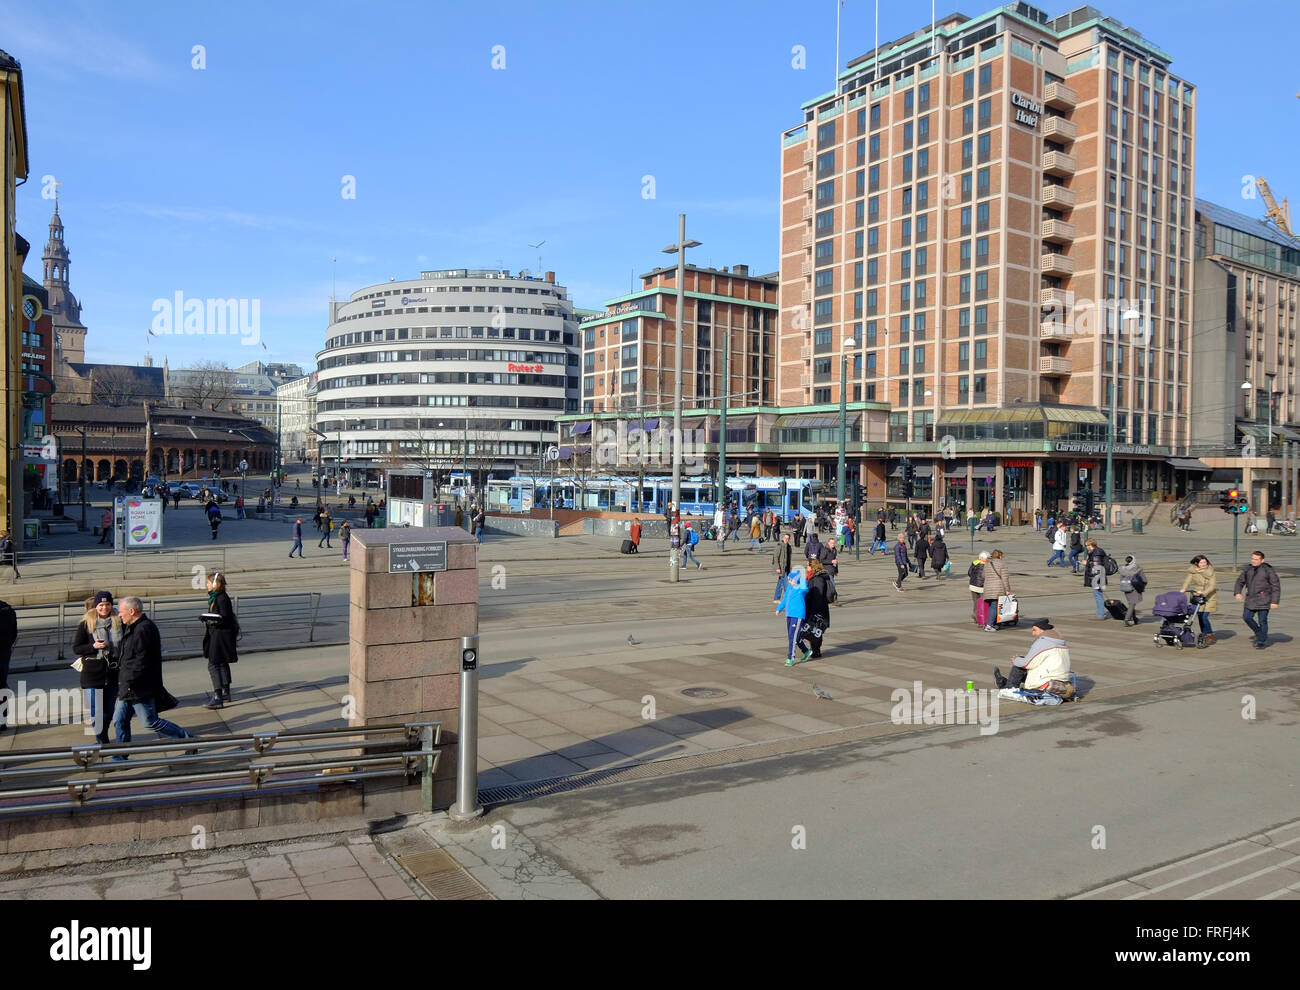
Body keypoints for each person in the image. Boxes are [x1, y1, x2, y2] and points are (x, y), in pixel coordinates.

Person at [112, 596, 196, 752]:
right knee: (119, 720)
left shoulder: (144, 629)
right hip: (128, 687)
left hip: (138, 687)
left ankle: (188, 740)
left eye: (121, 612)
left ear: (132, 611)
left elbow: (141, 660)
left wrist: (129, 680)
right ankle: (119, 757)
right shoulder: (132, 626)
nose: (119, 615)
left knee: (150, 722)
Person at [72, 591, 122, 745]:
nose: (104, 608)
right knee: (96, 711)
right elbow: (77, 648)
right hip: (92, 674)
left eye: (107, 604)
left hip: (112, 672)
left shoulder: (119, 621)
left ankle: (103, 734)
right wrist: (93, 646)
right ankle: (102, 740)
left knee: (108, 711)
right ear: (96, 606)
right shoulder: (87, 623)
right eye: (101, 605)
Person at [993, 619, 1070, 691]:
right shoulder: (1059, 641)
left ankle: (1009, 688)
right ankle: (1004, 682)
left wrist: (1016, 659)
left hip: (1048, 680)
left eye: (1034, 630)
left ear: (1042, 630)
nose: (1033, 633)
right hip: (1062, 678)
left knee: (1019, 665)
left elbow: (1026, 664)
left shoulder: (1043, 642)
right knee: (1022, 662)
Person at [201, 572, 239, 709]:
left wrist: (210, 620)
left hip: (220, 636)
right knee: (222, 663)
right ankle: (225, 692)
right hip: (220, 635)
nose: (206, 585)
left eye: (208, 582)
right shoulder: (217, 597)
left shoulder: (221, 598)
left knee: (213, 664)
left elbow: (224, 617)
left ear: (215, 584)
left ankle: (218, 696)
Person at [1235, 550, 1281, 649]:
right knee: (1247, 617)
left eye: (1256, 559)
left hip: (1264, 599)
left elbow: (1276, 586)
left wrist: (1274, 602)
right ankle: (1259, 632)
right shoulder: (1248, 569)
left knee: (1262, 621)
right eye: (1252, 558)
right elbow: (1240, 581)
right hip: (1250, 599)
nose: (1254, 561)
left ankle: (1261, 641)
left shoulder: (1268, 570)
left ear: (1262, 560)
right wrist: (1238, 592)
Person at [1179, 554, 1218, 643]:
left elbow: (1212, 586)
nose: (1204, 564)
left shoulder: (1211, 572)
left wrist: (1204, 593)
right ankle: (1203, 633)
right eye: (1201, 562)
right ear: (1197, 563)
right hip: (1197, 596)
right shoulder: (1193, 571)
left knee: (1204, 617)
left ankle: (1209, 634)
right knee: (1200, 616)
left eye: (1205, 562)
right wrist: (1184, 589)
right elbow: (1187, 580)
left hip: (1209, 596)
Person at [775, 567, 809, 666]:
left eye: (791, 580)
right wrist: (779, 608)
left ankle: (790, 658)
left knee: (792, 637)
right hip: (789, 614)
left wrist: (801, 577)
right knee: (794, 636)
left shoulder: (801, 589)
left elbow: (805, 588)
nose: (789, 581)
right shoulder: (789, 588)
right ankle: (806, 651)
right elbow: (785, 599)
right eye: (789, 579)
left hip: (797, 615)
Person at [800, 558, 832, 660]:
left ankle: (816, 650)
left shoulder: (818, 579)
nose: (806, 568)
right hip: (816, 608)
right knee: (814, 630)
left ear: (812, 566)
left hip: (817, 610)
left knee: (815, 630)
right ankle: (815, 649)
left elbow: (818, 596)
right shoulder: (815, 577)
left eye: (808, 566)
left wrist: (813, 611)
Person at [981, 548, 1012, 631]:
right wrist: (1007, 589)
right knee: (994, 607)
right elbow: (1005, 578)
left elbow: (983, 576)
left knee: (991, 606)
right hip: (998, 588)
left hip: (988, 588)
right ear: (1000, 556)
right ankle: (989, 625)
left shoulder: (987, 564)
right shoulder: (1002, 564)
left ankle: (993, 624)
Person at [1116, 554, 1148, 626]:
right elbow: (1144, 580)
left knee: (1131, 603)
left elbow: (1121, 579)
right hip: (1134, 588)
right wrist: (1143, 585)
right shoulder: (1137, 568)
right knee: (1132, 604)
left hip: (1125, 588)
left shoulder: (1123, 569)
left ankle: (1135, 618)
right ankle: (1126, 620)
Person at [1083, 538, 1108, 619]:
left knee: (1098, 596)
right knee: (1098, 595)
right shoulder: (1097, 552)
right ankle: (1100, 614)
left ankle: (1100, 615)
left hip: (1097, 578)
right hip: (1099, 577)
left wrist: (1086, 563)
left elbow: (1097, 567)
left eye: (1087, 545)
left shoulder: (1096, 553)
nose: (1086, 547)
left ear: (1091, 545)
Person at [968, 551, 990, 626]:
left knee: (976, 602)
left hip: (973, 585)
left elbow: (969, 573)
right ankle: (982, 617)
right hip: (982, 586)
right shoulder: (987, 565)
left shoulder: (974, 562)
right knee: (984, 602)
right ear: (985, 558)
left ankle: (975, 615)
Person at [817, 536, 840, 605]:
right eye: (831, 543)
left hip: (832, 570)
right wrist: (831, 561)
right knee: (832, 586)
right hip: (826, 571)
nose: (833, 544)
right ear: (828, 543)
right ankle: (834, 600)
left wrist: (836, 570)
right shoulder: (825, 550)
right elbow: (821, 560)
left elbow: (835, 561)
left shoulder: (834, 550)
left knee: (828, 586)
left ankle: (827, 599)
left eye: (834, 543)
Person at [772, 532, 794, 602]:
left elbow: (788, 558)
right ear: (783, 538)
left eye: (788, 538)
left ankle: (776, 598)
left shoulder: (789, 547)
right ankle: (787, 598)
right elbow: (775, 557)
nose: (786, 539)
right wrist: (777, 567)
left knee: (780, 583)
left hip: (787, 568)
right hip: (782, 568)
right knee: (786, 584)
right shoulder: (780, 546)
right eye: (785, 538)